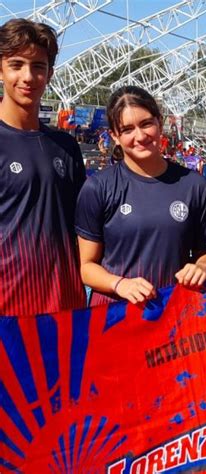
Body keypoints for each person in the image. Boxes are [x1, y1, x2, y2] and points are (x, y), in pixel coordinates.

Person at [75, 86, 206, 306]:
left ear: (160, 123)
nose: (140, 136)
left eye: (147, 123)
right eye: (127, 129)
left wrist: (201, 267)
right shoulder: (98, 187)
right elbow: (87, 267)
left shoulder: (193, 185)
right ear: (115, 136)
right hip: (113, 315)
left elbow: (204, 252)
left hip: (172, 312)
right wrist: (120, 284)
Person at [0, 18, 86, 316]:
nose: (28, 76)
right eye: (16, 64)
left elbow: (85, 228)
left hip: (67, 309)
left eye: (38, 66)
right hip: (9, 315)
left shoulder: (66, 146)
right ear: (0, 68)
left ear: (49, 74)